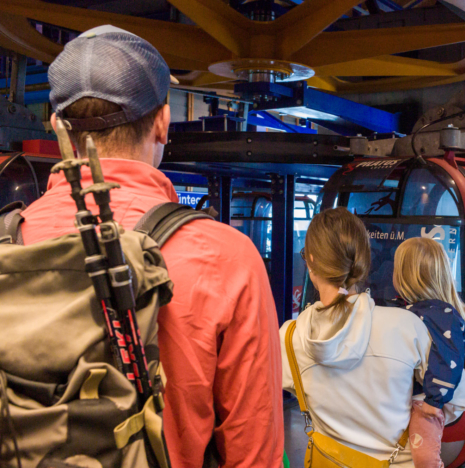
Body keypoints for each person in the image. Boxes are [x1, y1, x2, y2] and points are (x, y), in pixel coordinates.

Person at [18, 25, 283, 468]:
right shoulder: (227, 258)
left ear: (55, 127)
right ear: (162, 122)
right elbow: (253, 453)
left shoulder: (9, 242)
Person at [281, 208, 465, 467]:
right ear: (363, 260)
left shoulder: (289, 337)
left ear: (311, 260)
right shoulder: (408, 326)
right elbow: (457, 400)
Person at [393, 237, 465, 468]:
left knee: (423, 452)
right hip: (426, 392)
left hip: (430, 397)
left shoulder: (440, 314)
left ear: (406, 276)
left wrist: (434, 400)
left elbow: (448, 358)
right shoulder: (423, 309)